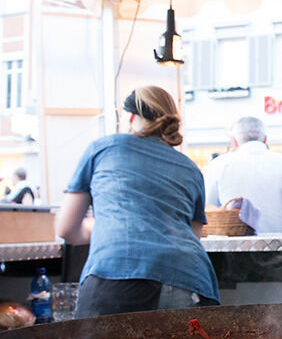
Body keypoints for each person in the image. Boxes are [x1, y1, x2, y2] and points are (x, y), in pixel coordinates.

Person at [54, 85, 219, 317]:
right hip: (191, 279)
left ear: (130, 117)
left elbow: (66, 229)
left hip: (119, 271)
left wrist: (106, 226)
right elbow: (193, 235)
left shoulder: (104, 148)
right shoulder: (191, 168)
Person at [203, 116, 282, 234]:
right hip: (281, 241)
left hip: (234, 243)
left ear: (235, 141)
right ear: (265, 140)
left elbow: (209, 207)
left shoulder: (218, 165)